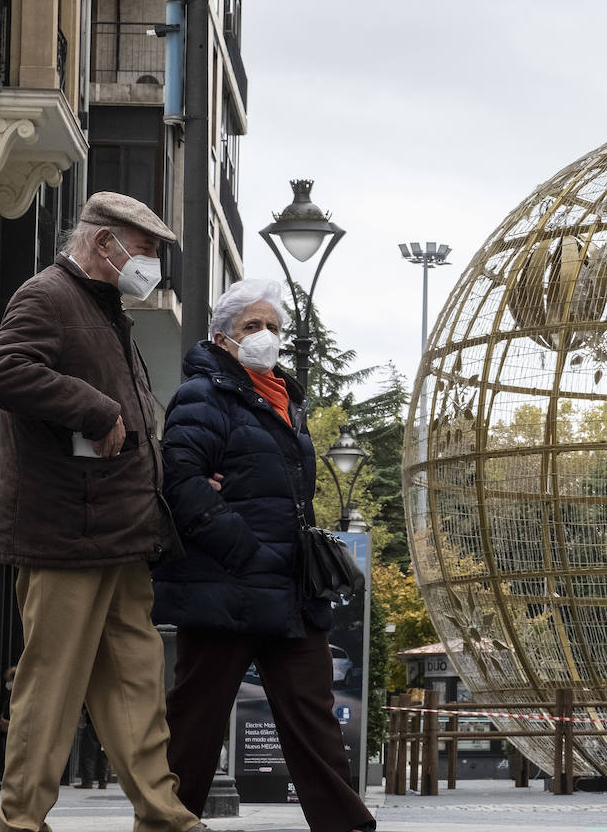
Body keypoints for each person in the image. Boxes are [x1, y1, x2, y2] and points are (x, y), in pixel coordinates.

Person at [0, 192, 219, 832]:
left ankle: (163, 814)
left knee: (136, 684)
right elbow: (0, 369)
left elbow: (132, 424)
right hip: (64, 534)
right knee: (50, 686)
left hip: (117, 531)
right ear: (103, 242)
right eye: (145, 250)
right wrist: (94, 407)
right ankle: (19, 821)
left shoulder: (103, 307)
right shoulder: (48, 295)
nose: (151, 265)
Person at [154, 279, 375, 832]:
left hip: (288, 589)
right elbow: (180, 483)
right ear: (222, 338)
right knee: (196, 721)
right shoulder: (202, 396)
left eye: (273, 326)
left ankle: (347, 826)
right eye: (252, 327)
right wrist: (247, 550)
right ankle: (165, 822)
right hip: (224, 585)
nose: (266, 336)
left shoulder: (285, 399)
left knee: (312, 713)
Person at [75, 706, 109, 789]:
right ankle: (102, 782)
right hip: (107, 726)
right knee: (103, 754)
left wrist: (83, 709)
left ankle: (87, 782)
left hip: (92, 723)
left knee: (87, 753)